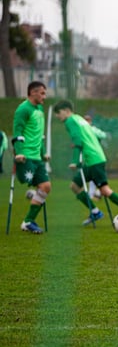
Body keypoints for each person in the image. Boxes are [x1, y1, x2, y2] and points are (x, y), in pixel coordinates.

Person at [53, 100, 118, 225]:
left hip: (93, 159)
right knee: (75, 186)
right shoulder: (79, 119)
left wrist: (75, 161)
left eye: (58, 113)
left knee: (105, 190)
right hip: (94, 158)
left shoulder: (70, 121)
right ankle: (95, 212)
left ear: (66, 111)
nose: (57, 116)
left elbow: (77, 140)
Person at [12, 81, 51, 234]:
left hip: (37, 158)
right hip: (25, 156)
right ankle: (32, 193)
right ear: (32, 93)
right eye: (42, 93)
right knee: (25, 180)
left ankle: (28, 222)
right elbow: (18, 132)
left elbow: (39, 135)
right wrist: (19, 151)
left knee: (46, 187)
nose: (44, 97)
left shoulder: (40, 109)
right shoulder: (23, 109)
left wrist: (43, 153)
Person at [84, 114, 108, 199]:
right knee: (92, 177)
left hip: (96, 157)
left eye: (88, 120)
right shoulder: (83, 131)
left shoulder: (93, 130)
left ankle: (94, 193)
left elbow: (103, 135)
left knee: (95, 177)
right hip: (88, 157)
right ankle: (95, 193)